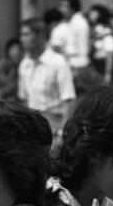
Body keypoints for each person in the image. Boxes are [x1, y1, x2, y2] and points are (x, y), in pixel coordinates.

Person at [17, 18, 76, 150]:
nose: (22, 39)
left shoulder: (58, 62)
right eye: (21, 35)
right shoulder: (24, 64)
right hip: (32, 125)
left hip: (54, 125)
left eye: (26, 34)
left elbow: (69, 100)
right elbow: (24, 100)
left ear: (39, 36)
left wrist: (62, 134)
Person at [87, 4, 113, 82]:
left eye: (93, 13)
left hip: (102, 67)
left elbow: (110, 54)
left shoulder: (106, 32)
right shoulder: (94, 30)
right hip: (94, 66)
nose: (90, 15)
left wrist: (108, 73)